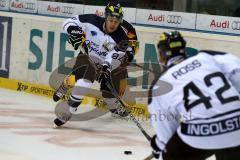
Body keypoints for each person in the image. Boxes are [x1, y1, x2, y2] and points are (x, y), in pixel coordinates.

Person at [148, 31, 240, 160]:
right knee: (229, 141)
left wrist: (160, 147)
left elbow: (166, 135)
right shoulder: (208, 56)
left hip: (199, 134)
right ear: (183, 49)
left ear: (161, 55)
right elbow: (237, 71)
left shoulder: (160, 84)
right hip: (237, 124)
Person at [53, 1, 138, 127]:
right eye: (110, 20)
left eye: (116, 21)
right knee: (84, 80)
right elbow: (67, 22)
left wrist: (106, 67)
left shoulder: (123, 36)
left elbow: (122, 53)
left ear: (120, 21)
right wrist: (74, 31)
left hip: (109, 61)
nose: (113, 24)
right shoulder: (92, 20)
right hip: (88, 55)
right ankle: (69, 110)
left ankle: (114, 108)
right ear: (105, 16)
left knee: (110, 89)